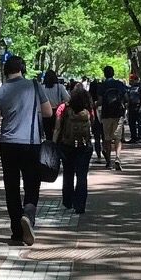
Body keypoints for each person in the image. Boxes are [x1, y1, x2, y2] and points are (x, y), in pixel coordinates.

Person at [0, 55, 51, 246]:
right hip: (31, 143)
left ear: (5, 70)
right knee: (32, 183)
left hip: (8, 144)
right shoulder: (34, 86)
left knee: (11, 187)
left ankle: (16, 231)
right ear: (23, 68)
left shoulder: (1, 91)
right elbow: (48, 112)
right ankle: (28, 215)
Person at [53, 86, 93, 214]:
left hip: (67, 145)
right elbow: (92, 123)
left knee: (68, 173)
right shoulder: (88, 110)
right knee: (82, 176)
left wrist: (54, 144)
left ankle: (68, 201)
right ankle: (80, 205)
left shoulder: (63, 108)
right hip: (84, 146)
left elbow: (57, 128)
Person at [97, 65, 128, 171]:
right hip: (118, 114)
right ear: (113, 73)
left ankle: (108, 161)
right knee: (118, 138)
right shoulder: (119, 84)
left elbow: (100, 101)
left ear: (104, 74)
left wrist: (94, 105)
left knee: (107, 138)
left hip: (106, 114)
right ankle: (118, 158)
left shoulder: (102, 86)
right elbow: (126, 98)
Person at [42, 69, 69, 135]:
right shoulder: (60, 87)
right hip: (57, 112)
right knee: (57, 132)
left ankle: (48, 144)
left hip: (45, 113)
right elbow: (67, 99)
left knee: (47, 133)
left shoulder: (42, 87)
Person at [126, 72, 141, 144]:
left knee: (140, 123)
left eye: (133, 79)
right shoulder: (130, 87)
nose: (132, 81)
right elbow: (129, 98)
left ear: (136, 79)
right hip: (131, 108)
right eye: (131, 80)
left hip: (139, 107)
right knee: (131, 123)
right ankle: (133, 137)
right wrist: (127, 107)